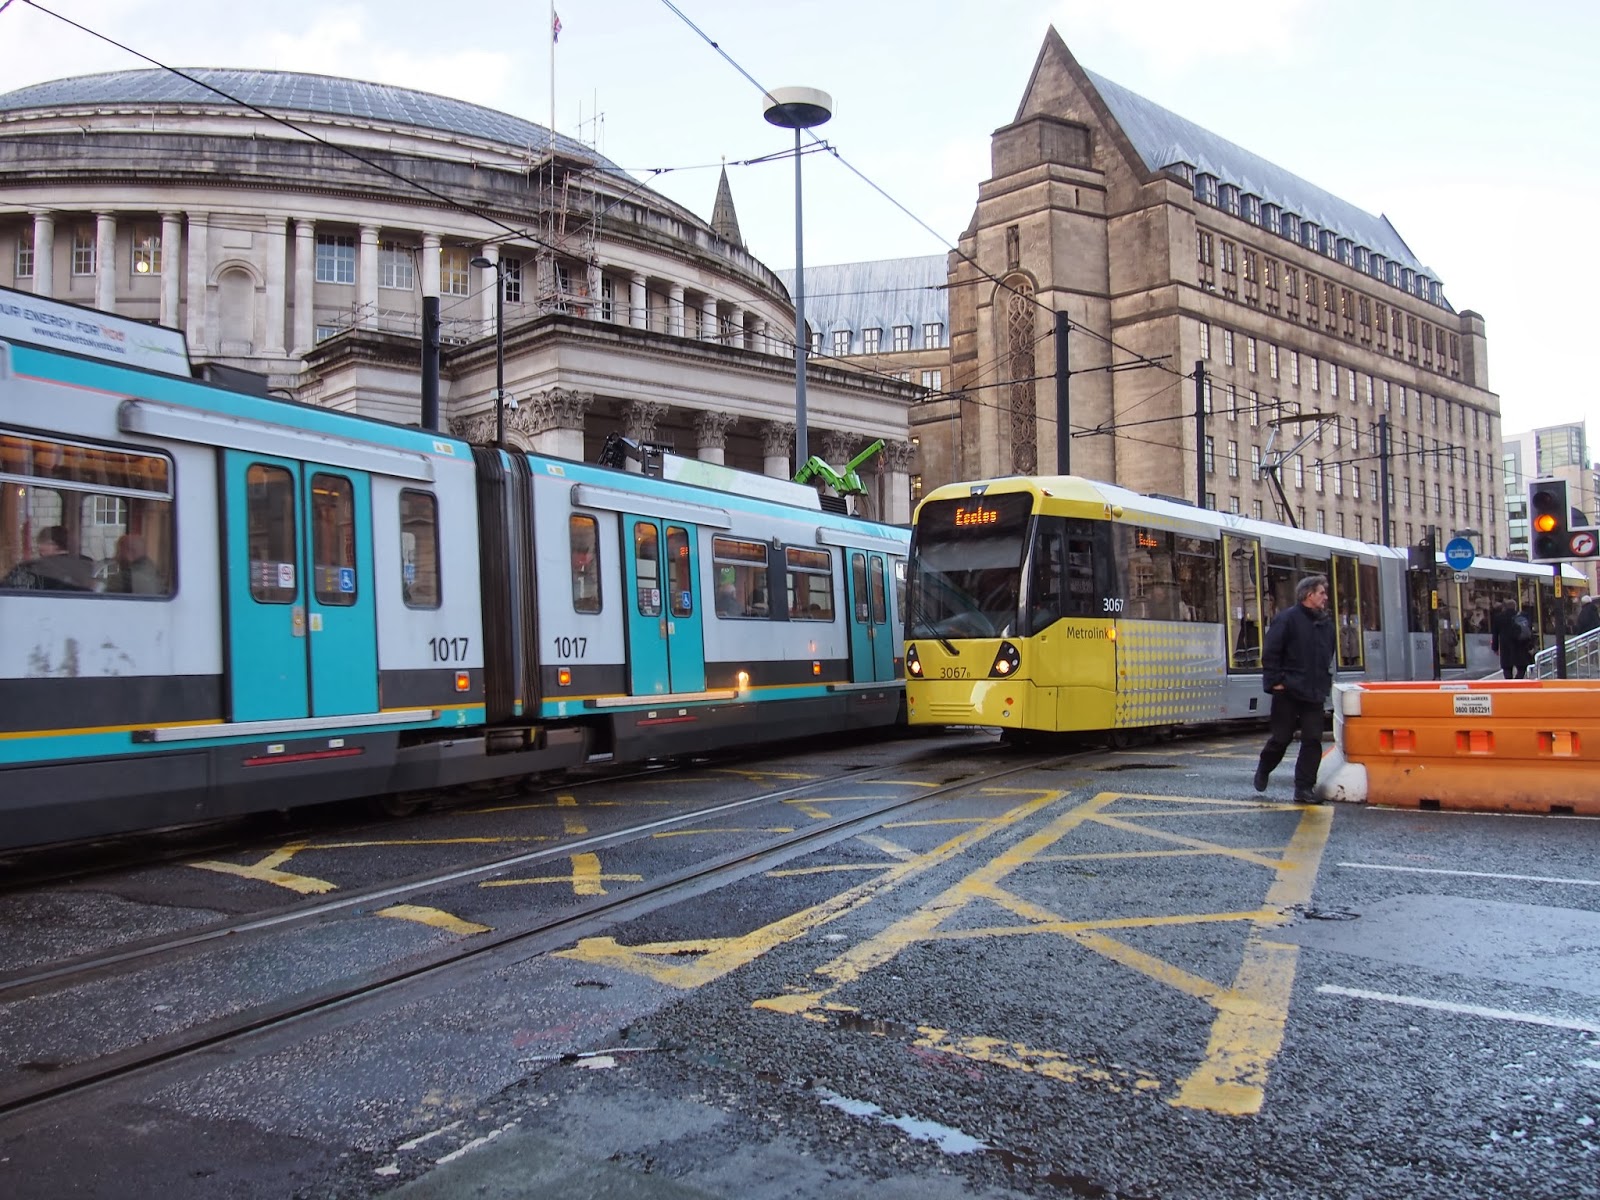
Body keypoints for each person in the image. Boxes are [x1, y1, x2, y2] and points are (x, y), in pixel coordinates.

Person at [1253, 574, 1335, 805]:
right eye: (1321, 593)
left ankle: (1303, 788)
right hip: (1287, 690)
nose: (1325, 598)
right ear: (1309, 595)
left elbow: (1328, 652)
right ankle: (1265, 766)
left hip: (1314, 690)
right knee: (1281, 738)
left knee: (1313, 740)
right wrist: (1275, 682)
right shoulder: (1287, 619)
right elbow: (1271, 652)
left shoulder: (1325, 623)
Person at [2, 525, 94, 591]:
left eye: (41, 543)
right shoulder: (89, 565)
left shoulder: (32, 567)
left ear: (53, 545)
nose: (38, 548)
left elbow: (6, 588)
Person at [1490, 599, 1529, 679]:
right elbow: (1527, 631)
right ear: (1515, 607)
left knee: (1507, 668)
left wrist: (1495, 648)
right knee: (1522, 668)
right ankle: (1517, 682)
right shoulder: (1521, 616)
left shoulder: (1499, 617)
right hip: (1520, 645)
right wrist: (1529, 646)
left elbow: (1495, 634)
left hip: (1505, 647)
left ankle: (1510, 683)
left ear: (1505, 607)